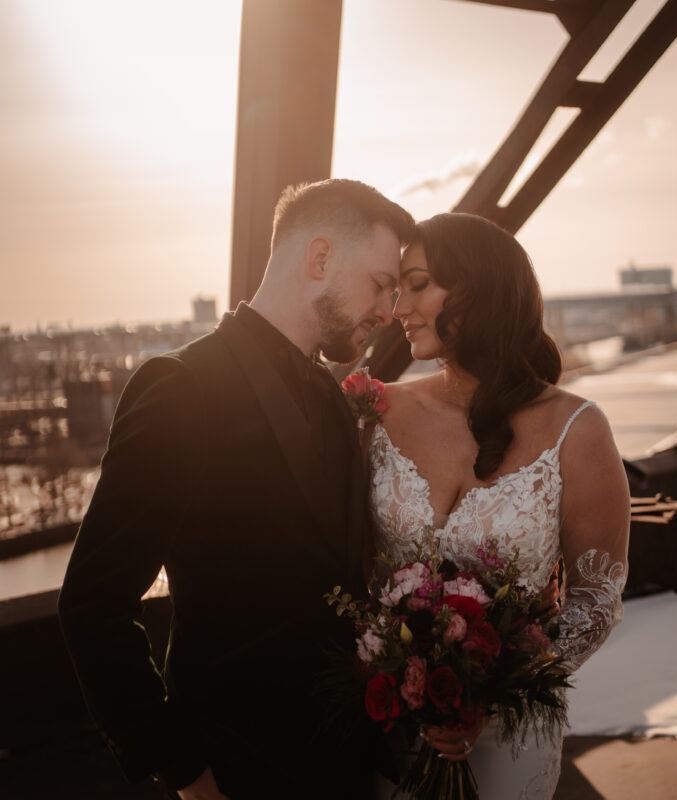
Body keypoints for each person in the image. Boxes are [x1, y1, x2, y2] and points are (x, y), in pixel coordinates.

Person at [58, 179, 414, 800]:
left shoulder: (334, 399)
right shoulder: (179, 387)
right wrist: (186, 771)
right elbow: (93, 605)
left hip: (348, 768)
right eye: (381, 284)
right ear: (320, 258)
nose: (387, 311)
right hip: (235, 773)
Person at [368, 213, 630, 798]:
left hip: (513, 736)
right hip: (388, 726)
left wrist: (493, 691)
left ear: (476, 288)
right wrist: (396, 673)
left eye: (417, 284)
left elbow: (595, 601)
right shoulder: (377, 411)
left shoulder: (576, 428)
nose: (397, 308)